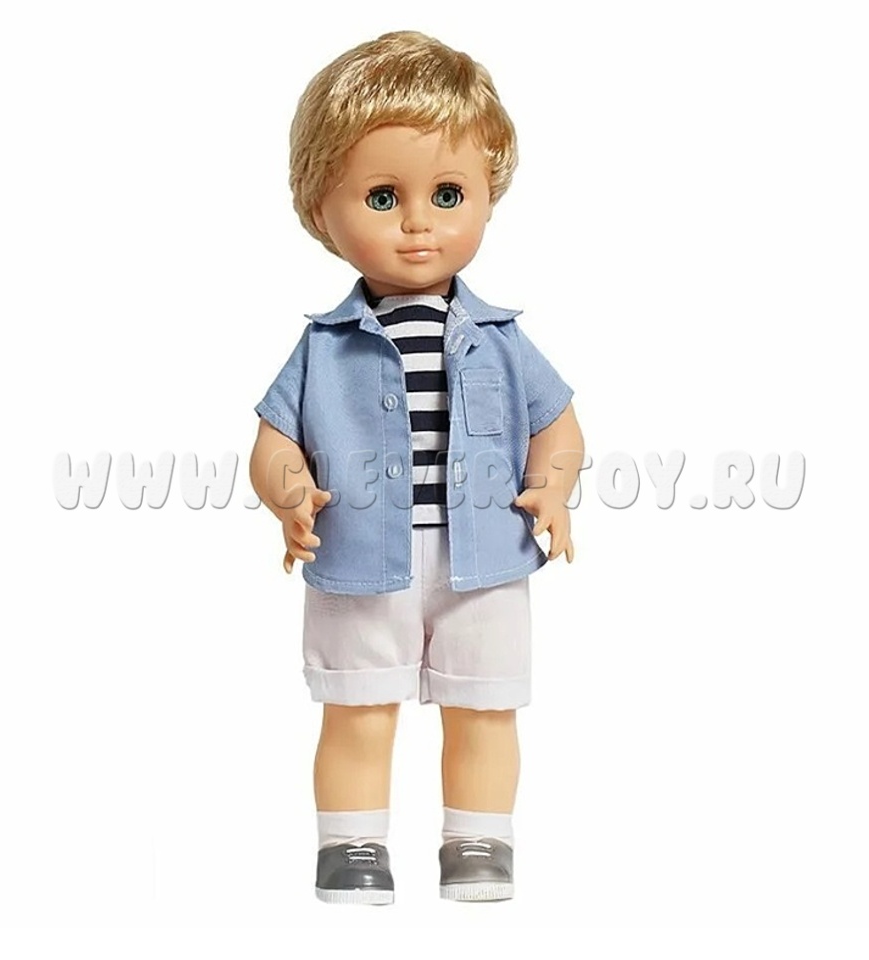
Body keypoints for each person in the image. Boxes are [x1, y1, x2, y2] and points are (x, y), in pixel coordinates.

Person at [249, 30, 584, 904]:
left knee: (485, 708)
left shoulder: (502, 339)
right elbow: (274, 439)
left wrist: (551, 489)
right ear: (320, 209)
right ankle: (351, 848)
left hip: (487, 558)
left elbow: (557, 425)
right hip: (361, 559)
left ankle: (478, 842)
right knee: (357, 709)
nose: (417, 223)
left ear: (486, 195)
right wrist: (288, 494)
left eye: (446, 194)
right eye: (381, 196)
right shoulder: (323, 347)